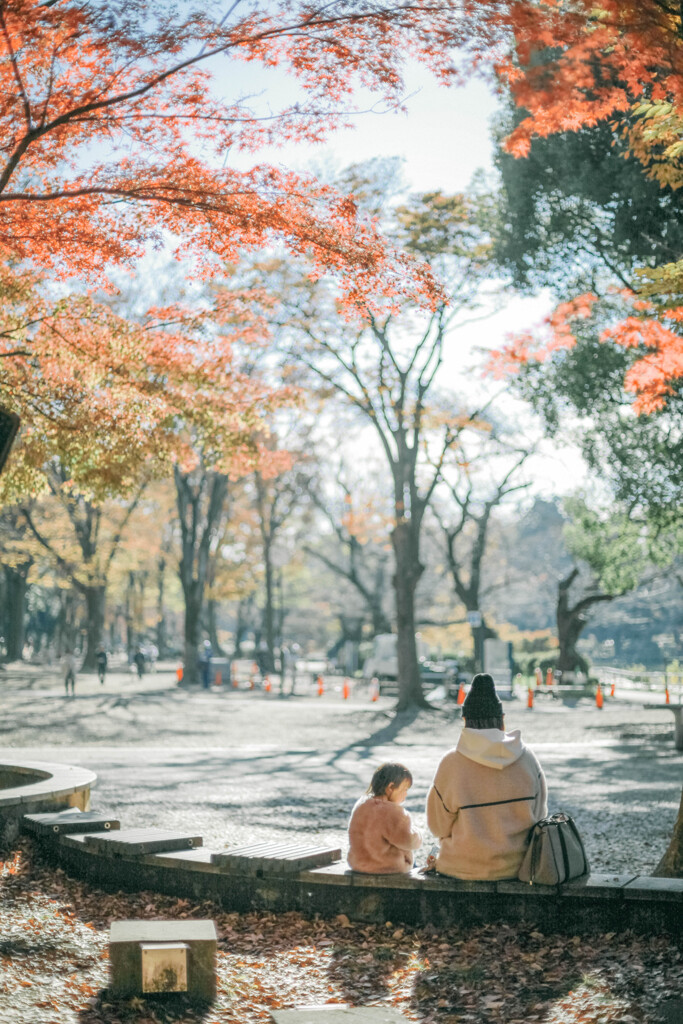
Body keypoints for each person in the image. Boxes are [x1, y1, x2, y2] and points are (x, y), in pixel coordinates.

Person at [426, 673, 547, 881]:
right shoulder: (527, 758)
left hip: (461, 868)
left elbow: (437, 826)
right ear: (502, 720)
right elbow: (540, 815)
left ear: (465, 720)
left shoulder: (452, 763)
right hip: (519, 867)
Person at [348, 762, 422, 874]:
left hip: (358, 864)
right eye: (404, 789)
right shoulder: (392, 812)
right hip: (386, 867)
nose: (406, 794)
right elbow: (409, 841)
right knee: (415, 866)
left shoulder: (361, 805)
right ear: (390, 787)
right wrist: (417, 833)